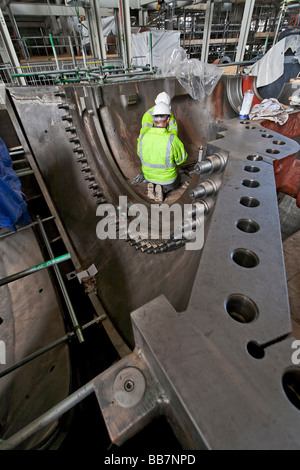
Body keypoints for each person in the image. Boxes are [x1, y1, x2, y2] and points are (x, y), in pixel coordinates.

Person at [137, 102, 187, 202]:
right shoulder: (172, 139)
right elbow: (181, 160)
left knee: (154, 177)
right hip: (168, 180)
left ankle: (153, 185)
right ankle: (163, 190)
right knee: (179, 177)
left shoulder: (143, 137)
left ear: (153, 119)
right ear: (168, 119)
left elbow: (139, 154)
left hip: (148, 176)